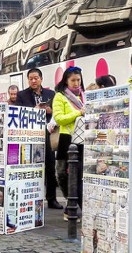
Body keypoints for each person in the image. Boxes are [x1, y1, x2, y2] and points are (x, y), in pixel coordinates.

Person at [16, 68, 62, 210]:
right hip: (29, 135)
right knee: (29, 167)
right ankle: (29, 198)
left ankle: (52, 199)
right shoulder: (22, 95)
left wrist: (51, 111)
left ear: (41, 79)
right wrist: (34, 110)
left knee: (50, 166)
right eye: (30, 78)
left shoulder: (51, 94)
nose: (33, 81)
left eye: (36, 78)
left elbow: (58, 111)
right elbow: (18, 114)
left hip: (47, 133)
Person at [51, 66, 85, 220]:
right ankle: (70, 205)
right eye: (73, 80)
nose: (76, 83)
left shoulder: (84, 96)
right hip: (66, 138)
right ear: (66, 80)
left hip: (83, 139)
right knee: (64, 175)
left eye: (78, 80)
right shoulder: (60, 96)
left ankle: (74, 207)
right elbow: (59, 118)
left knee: (79, 176)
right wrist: (79, 112)